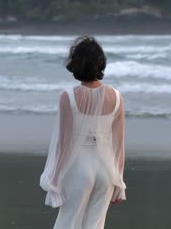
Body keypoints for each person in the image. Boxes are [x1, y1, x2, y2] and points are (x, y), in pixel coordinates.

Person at [40, 35, 126, 229]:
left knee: (68, 223)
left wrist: (54, 178)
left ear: (75, 64)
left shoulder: (68, 97)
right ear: (101, 63)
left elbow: (63, 143)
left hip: (78, 170)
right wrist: (119, 180)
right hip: (106, 172)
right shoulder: (117, 97)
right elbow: (119, 144)